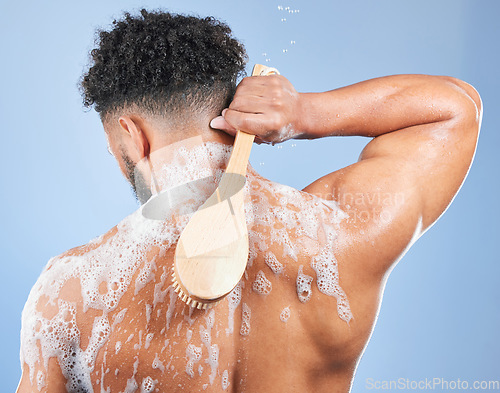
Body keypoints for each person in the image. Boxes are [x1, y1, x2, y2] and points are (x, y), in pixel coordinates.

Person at [16, 9, 481, 393]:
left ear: (131, 138)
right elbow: (455, 109)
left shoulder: (69, 294)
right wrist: (306, 113)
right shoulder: (335, 233)